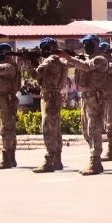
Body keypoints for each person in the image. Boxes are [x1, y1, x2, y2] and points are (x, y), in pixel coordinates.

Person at [60, 35, 110, 176]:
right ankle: (94, 157)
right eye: (85, 44)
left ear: (96, 44)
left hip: (96, 96)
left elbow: (87, 67)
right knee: (86, 130)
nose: (87, 46)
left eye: (90, 43)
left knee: (94, 128)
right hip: (85, 97)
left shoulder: (100, 59)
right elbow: (70, 64)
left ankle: (95, 160)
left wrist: (70, 58)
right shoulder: (84, 59)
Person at [32, 38, 68, 173]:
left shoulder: (48, 62)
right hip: (56, 96)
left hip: (49, 97)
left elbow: (35, 74)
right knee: (56, 129)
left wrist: (31, 62)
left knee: (48, 128)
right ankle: (57, 159)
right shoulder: (60, 62)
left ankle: (49, 160)